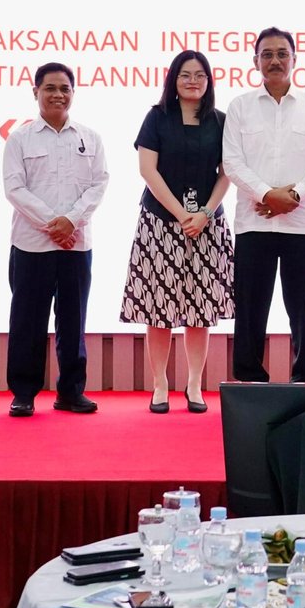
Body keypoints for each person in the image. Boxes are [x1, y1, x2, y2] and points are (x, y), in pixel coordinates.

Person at [120, 50, 234, 412]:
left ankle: (195, 384)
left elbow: (227, 173)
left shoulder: (220, 121)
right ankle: (160, 384)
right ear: (173, 79)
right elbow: (147, 170)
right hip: (160, 223)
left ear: (209, 81)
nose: (192, 81)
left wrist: (205, 212)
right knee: (159, 308)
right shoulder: (157, 117)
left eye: (200, 75)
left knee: (200, 309)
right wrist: (182, 214)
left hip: (206, 225)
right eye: (185, 75)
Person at [221, 27, 305, 383]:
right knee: (251, 308)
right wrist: (268, 195)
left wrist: (294, 196)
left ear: (294, 59)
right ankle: (249, 380)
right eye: (267, 54)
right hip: (254, 222)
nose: (275, 61)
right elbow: (232, 162)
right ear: (255, 61)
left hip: (304, 223)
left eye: (282, 54)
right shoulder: (240, 107)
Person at [3, 63, 109, 416]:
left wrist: (71, 221)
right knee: (27, 322)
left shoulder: (90, 137)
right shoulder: (20, 138)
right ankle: (24, 394)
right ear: (36, 92)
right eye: (50, 88)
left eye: (65, 88)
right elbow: (14, 188)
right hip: (31, 245)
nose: (58, 95)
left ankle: (71, 392)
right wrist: (54, 223)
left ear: (73, 93)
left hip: (76, 245)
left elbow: (99, 184)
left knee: (73, 322)